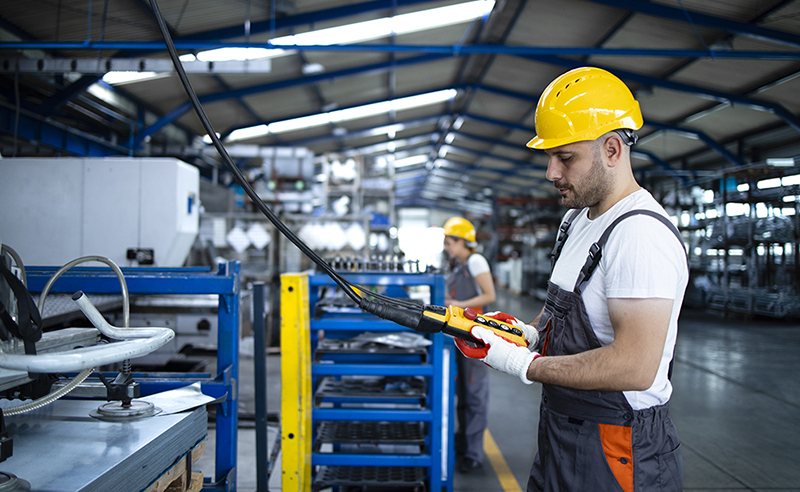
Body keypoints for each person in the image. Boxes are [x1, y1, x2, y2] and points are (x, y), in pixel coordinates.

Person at [460, 67, 689, 491]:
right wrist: (526, 335)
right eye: (550, 157)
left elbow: (636, 366)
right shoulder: (578, 221)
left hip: (616, 446)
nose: (551, 172)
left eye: (565, 157)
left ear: (613, 150)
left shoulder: (639, 235)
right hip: (561, 432)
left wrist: (525, 364)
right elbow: (563, 315)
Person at [442, 217, 496, 473]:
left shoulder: (475, 261)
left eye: (450, 242)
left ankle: (473, 453)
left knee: (474, 395)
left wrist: (455, 304)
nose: (447, 247)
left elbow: (489, 295)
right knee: (463, 393)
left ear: (463, 241)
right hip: (460, 335)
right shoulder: (459, 265)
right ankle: (464, 444)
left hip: (474, 336)